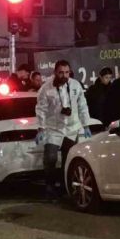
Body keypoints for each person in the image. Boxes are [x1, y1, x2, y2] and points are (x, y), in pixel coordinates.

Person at [36, 60, 91, 201]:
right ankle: (50, 186)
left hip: (72, 128)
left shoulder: (75, 85)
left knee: (68, 160)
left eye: (67, 72)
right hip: (53, 128)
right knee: (50, 158)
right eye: (61, 72)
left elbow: (82, 105)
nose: (64, 75)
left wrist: (86, 125)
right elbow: (41, 109)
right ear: (55, 72)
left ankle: (65, 187)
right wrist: (41, 127)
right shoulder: (46, 88)